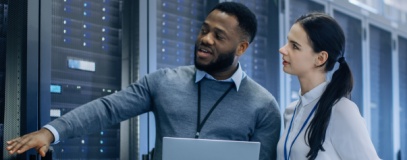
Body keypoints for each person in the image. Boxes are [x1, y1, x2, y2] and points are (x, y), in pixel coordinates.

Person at [6, 2, 281, 160]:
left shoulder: (264, 106)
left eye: (218, 36)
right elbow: (107, 109)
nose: (205, 39)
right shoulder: (164, 82)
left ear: (241, 48)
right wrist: (51, 131)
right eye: (204, 30)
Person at [276, 12, 380, 160]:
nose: (283, 50)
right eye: (288, 42)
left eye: (295, 46)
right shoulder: (291, 111)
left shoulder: (341, 110)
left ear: (320, 58)